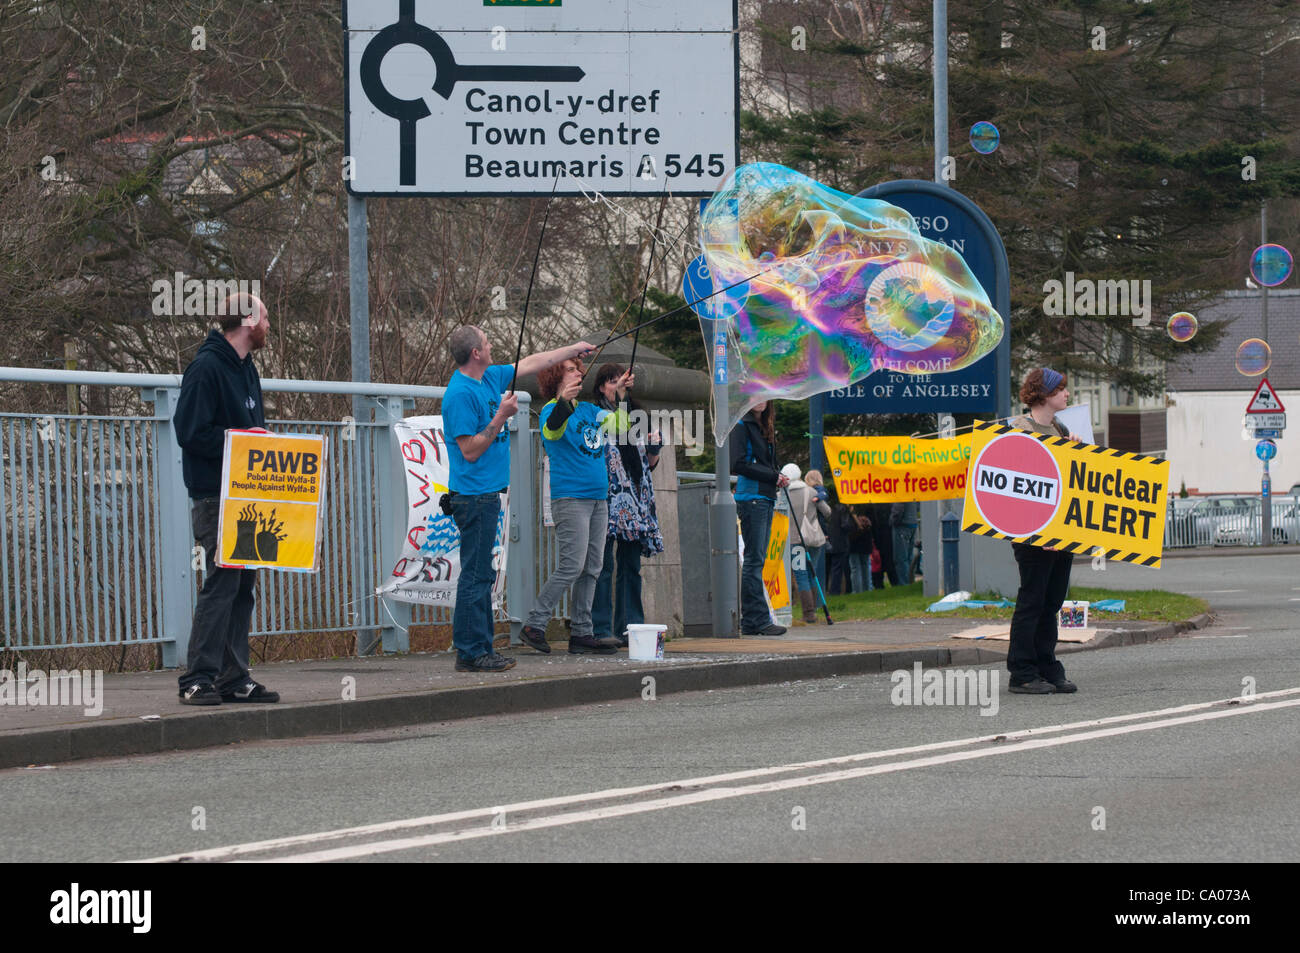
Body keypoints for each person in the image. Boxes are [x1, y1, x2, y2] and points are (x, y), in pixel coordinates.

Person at [443, 325, 593, 673]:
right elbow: (469, 450)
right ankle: (471, 652)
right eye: (487, 342)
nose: (492, 344)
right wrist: (500, 417)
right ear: (476, 354)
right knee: (476, 576)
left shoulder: (490, 377)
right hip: (474, 496)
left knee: (481, 574)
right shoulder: (460, 394)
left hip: (487, 496)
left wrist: (573, 348)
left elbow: (533, 362)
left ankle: (477, 649)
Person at [174, 294, 279, 706]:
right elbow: (190, 432)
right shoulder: (206, 368)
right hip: (216, 496)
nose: (269, 325)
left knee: (242, 587)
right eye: (266, 318)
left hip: (246, 496)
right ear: (249, 321)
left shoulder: (245, 368)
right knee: (222, 582)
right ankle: (197, 678)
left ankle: (233, 677)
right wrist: (241, 443)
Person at [519, 358, 628, 654]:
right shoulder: (550, 411)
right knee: (572, 565)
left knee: (593, 566)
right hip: (570, 498)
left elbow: (620, 426)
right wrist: (564, 403)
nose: (579, 373)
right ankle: (534, 624)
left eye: (579, 369)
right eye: (571, 369)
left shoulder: (590, 409)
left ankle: (582, 632)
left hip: (598, 498)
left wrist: (618, 396)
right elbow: (552, 432)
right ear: (556, 376)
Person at [1006, 367, 1083, 695]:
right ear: (1043, 393)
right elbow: (1017, 485)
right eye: (1061, 388)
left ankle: (1046, 665)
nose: (1067, 394)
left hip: (1060, 531)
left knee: (1052, 601)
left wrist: (1077, 454)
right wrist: (1042, 533)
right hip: (1031, 533)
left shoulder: (1061, 428)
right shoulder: (1017, 429)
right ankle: (1021, 672)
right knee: (1032, 600)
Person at [590, 363, 663, 646]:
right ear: (600, 387)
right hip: (607, 497)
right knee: (603, 566)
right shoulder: (595, 414)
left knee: (631, 566)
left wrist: (654, 446)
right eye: (610, 382)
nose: (615, 385)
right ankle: (601, 629)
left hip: (634, 499)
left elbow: (649, 464)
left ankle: (630, 628)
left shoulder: (638, 414)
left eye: (619, 381)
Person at [728, 401, 789, 636]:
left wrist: (776, 476)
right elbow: (738, 464)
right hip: (752, 496)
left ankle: (752, 620)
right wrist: (773, 476)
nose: (760, 399)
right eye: (756, 395)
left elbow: (764, 464)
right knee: (754, 560)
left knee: (756, 560)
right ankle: (759, 619)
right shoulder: (743, 424)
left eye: (764, 394)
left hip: (763, 496)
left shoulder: (765, 425)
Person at [781, 463, 830, 623]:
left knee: (801, 575)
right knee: (811, 572)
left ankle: (808, 614)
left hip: (794, 541)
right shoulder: (811, 492)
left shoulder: (781, 494)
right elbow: (827, 512)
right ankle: (813, 609)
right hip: (813, 539)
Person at [805, 469, 831, 595]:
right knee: (812, 568)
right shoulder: (815, 491)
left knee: (803, 570)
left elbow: (824, 494)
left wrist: (817, 497)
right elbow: (827, 512)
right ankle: (814, 600)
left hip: (801, 534)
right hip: (814, 534)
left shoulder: (814, 490)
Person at [891, 500, 919, 585]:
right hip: (912, 523)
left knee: (901, 558)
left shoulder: (901, 490)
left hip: (902, 526)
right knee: (909, 557)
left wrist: (892, 520)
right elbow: (918, 506)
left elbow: (898, 508)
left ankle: (904, 583)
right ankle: (910, 581)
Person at [848, 508, 875, 593]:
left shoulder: (851, 511)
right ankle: (867, 589)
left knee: (855, 568)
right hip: (866, 542)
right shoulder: (868, 506)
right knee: (866, 566)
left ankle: (857, 591)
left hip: (854, 543)